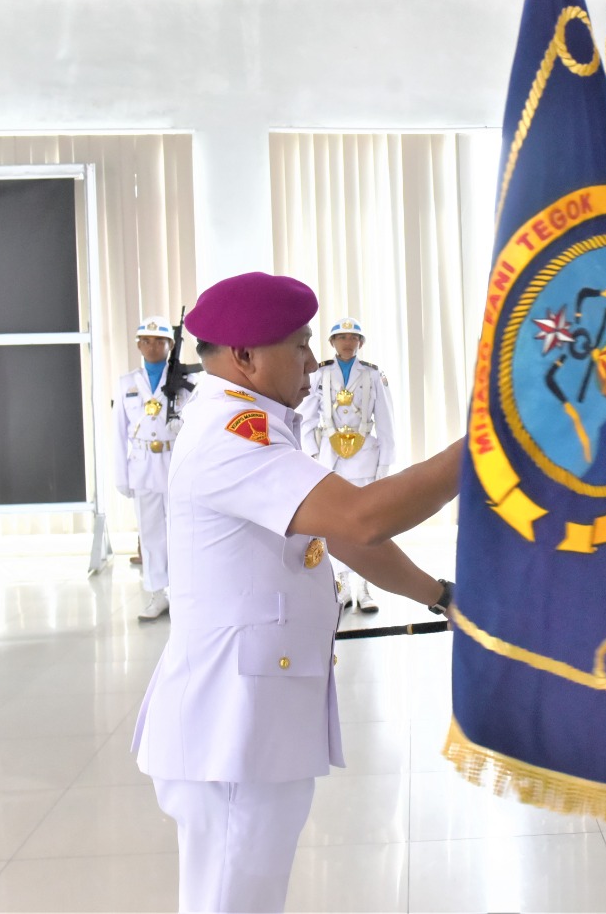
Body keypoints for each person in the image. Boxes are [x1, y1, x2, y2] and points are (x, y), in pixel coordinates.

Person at [133, 272, 460, 914]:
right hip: (230, 733)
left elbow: (339, 536)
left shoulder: (256, 423)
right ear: (245, 356)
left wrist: (440, 594)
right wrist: (484, 447)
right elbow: (362, 518)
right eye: (301, 346)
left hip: (253, 722)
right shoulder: (232, 434)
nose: (313, 362)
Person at [298, 317, 398, 613]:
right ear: (332, 342)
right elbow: (307, 415)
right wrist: (311, 453)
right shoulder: (320, 373)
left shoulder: (372, 374)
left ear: (361, 343)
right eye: (342, 337)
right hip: (330, 459)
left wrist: (385, 464)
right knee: (334, 523)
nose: (347, 343)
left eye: (353, 338)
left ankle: (364, 587)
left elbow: (386, 420)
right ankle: (340, 584)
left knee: (366, 523)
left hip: (364, 456)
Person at [114, 315, 196, 621]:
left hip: (175, 464)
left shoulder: (186, 381)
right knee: (150, 533)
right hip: (142, 465)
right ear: (138, 345)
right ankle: (156, 592)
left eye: (159, 341)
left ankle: (182, 593)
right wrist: (121, 476)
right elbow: (118, 434)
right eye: (146, 341)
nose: (152, 347)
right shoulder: (127, 383)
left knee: (181, 530)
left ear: (170, 345)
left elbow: (197, 426)